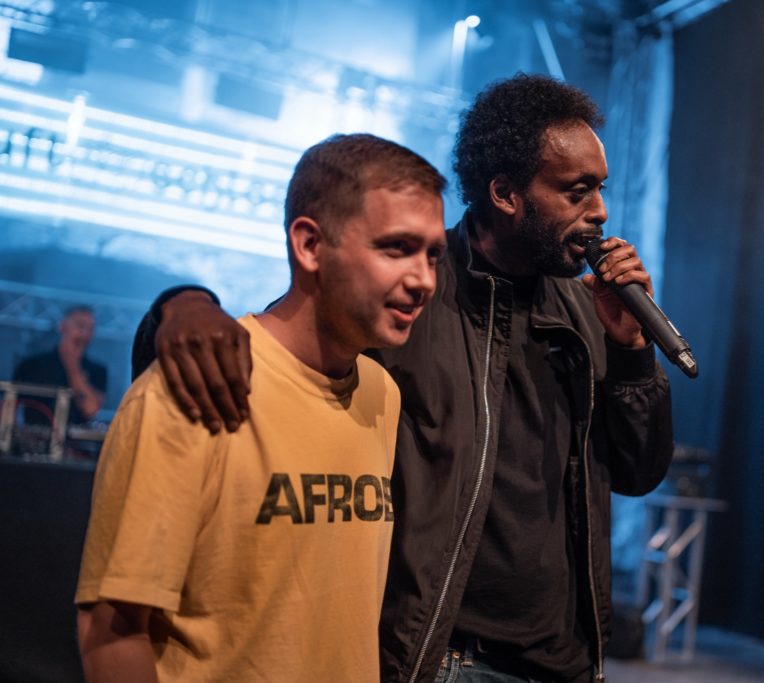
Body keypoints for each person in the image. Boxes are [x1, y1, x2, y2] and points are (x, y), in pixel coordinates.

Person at [134, 73, 674, 682]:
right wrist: (182, 304)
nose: (599, 211)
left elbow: (638, 473)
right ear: (505, 193)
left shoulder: (586, 311)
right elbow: (284, 349)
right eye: (577, 191)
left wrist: (631, 350)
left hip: (565, 662)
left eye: (600, 188)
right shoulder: (410, 297)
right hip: (443, 657)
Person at [75, 134, 448, 682]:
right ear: (310, 245)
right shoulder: (190, 388)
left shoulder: (381, 393)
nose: (424, 280)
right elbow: (112, 632)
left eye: (433, 254)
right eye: (396, 248)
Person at [14, 306, 107, 426]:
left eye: (91, 328)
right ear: (62, 326)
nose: (85, 333)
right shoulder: (32, 365)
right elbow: (10, 404)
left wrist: (73, 366)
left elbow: (91, 409)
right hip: (33, 435)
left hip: (75, 436)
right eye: (80, 325)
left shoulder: (98, 370)